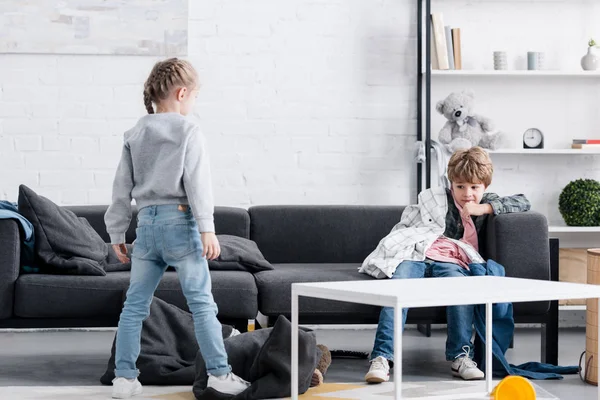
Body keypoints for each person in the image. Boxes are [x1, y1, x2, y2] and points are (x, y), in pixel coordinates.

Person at [105, 58, 250, 399]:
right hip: (180, 225)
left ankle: (124, 380)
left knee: (134, 305)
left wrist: (115, 234)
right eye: (195, 97)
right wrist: (207, 229)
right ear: (183, 93)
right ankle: (219, 373)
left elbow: (120, 190)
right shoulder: (188, 130)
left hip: (146, 227)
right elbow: (198, 184)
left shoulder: (134, 133)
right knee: (202, 304)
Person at [360, 146, 531, 384]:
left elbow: (523, 201)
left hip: (452, 261)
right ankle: (381, 357)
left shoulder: (485, 202)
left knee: (460, 290)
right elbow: (416, 225)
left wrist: (483, 209)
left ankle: (461, 356)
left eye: (474, 187)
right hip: (416, 253)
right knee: (396, 292)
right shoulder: (440, 200)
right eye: (460, 186)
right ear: (451, 184)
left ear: (485, 187)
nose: (467, 194)